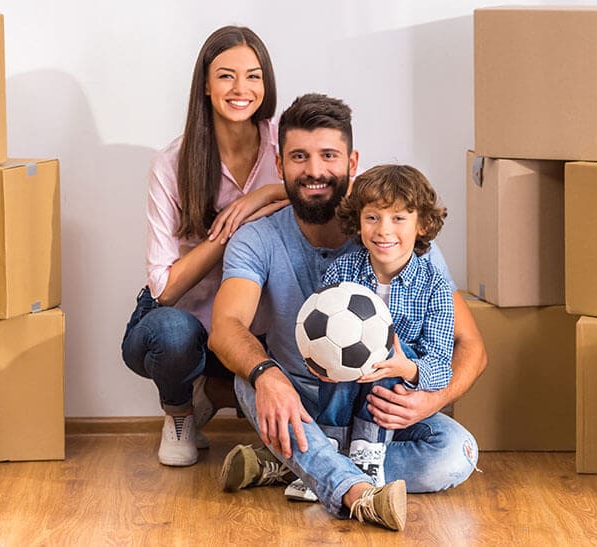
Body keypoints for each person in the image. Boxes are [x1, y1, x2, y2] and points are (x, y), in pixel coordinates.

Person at [209, 93, 487, 531]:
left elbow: (471, 346)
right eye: (299, 157)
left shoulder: (396, 233)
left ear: (351, 161)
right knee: (250, 378)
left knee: (456, 455)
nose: (315, 171)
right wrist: (270, 376)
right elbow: (225, 327)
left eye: (329, 156)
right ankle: (357, 494)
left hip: (379, 405)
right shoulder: (256, 239)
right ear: (280, 166)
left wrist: (429, 398)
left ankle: (298, 463)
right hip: (295, 394)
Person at [121, 26, 288, 467]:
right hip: (189, 325)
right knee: (172, 333)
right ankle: (180, 413)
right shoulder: (172, 162)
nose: (241, 89)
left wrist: (263, 196)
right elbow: (164, 289)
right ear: (206, 86)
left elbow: (335, 187)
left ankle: (211, 392)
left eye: (254, 76)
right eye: (226, 76)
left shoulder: (284, 147)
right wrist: (228, 231)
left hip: (260, 325)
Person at [313, 163, 455, 489]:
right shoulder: (342, 272)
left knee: (392, 354)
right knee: (341, 348)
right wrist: (320, 360)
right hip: (340, 391)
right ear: (358, 221)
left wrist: (407, 369)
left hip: (393, 402)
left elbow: (440, 365)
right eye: (373, 217)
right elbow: (314, 327)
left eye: (399, 218)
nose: (383, 230)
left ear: (422, 224)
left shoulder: (434, 286)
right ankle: (328, 454)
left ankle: (367, 454)